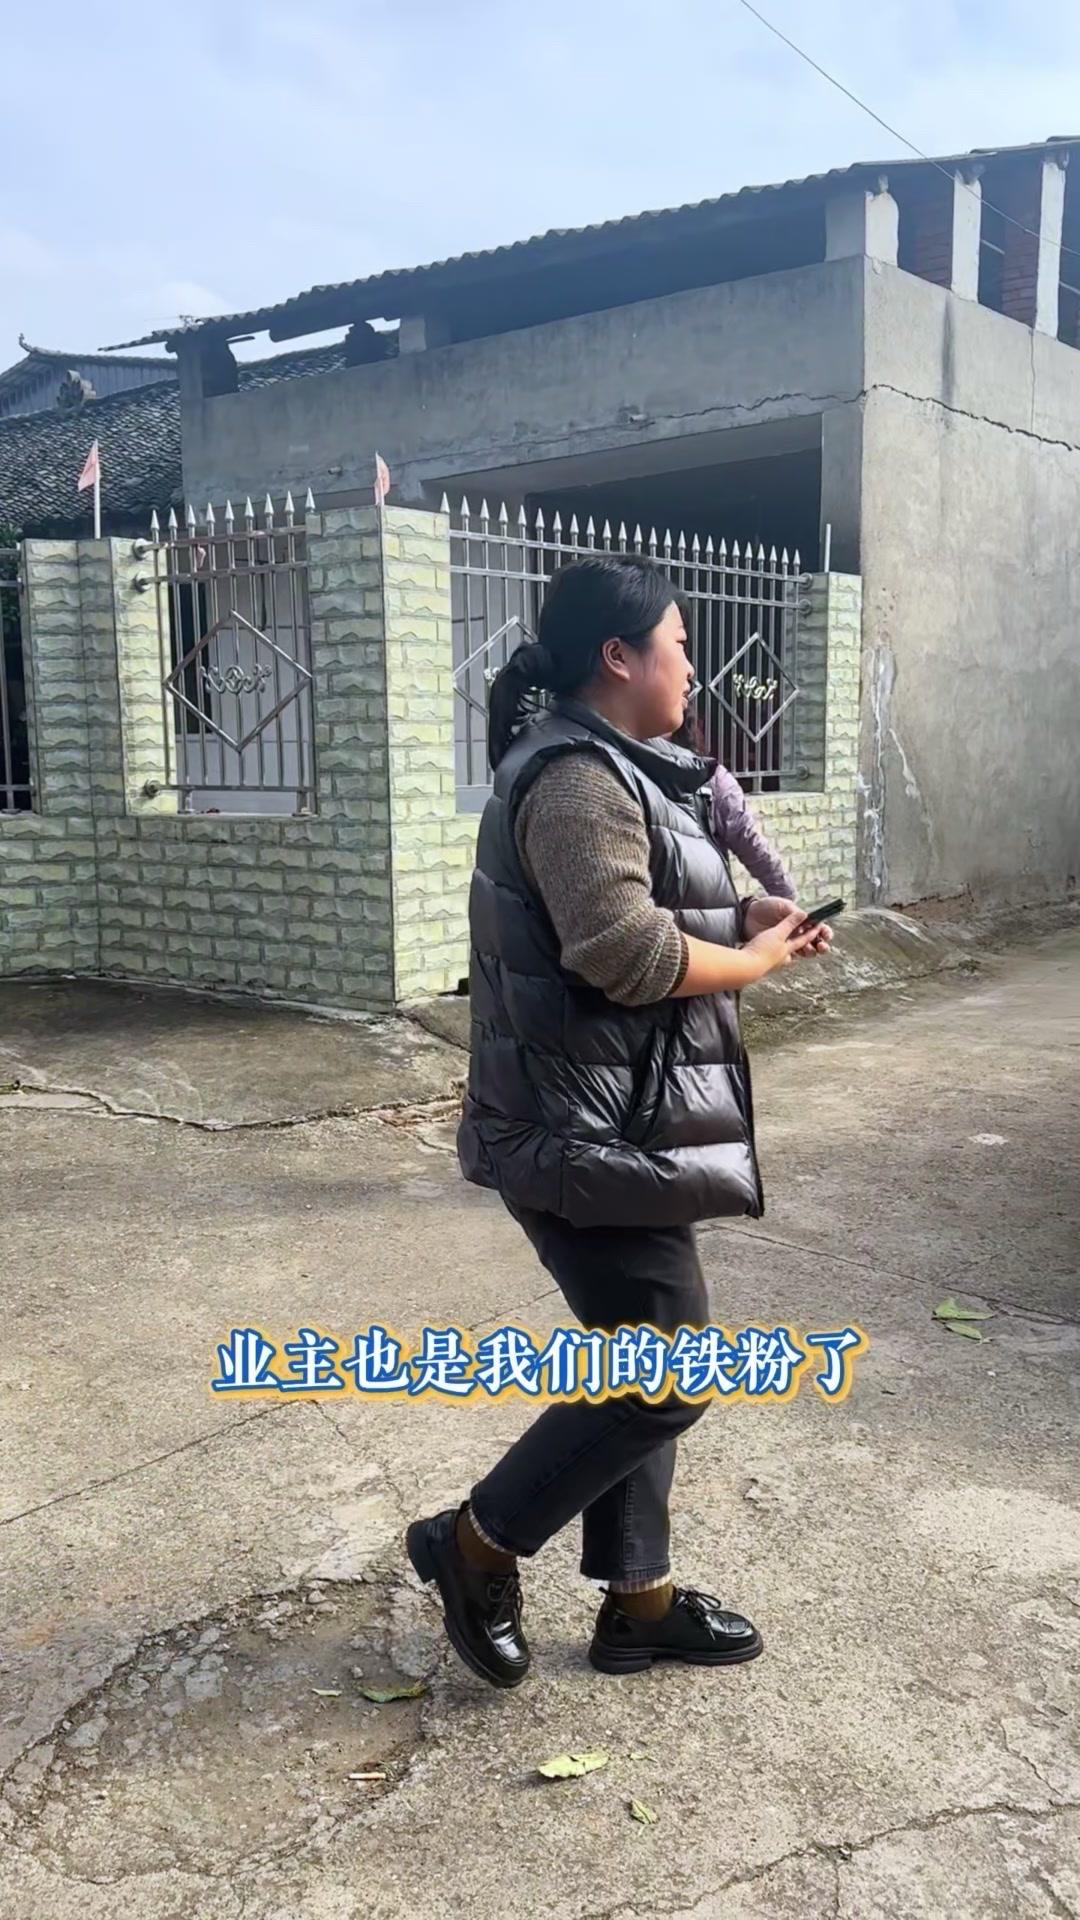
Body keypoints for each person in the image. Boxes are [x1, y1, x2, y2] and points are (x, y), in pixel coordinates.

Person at [406, 556, 830, 1689]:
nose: (692, 667)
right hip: (578, 1133)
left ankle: (638, 1604)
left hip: (619, 1125)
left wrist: (748, 910)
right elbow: (626, 953)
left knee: (643, 1353)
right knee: (670, 1372)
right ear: (619, 657)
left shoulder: (620, 771)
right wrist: (755, 962)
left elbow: (646, 904)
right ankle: (473, 1544)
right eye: (680, 645)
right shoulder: (574, 780)